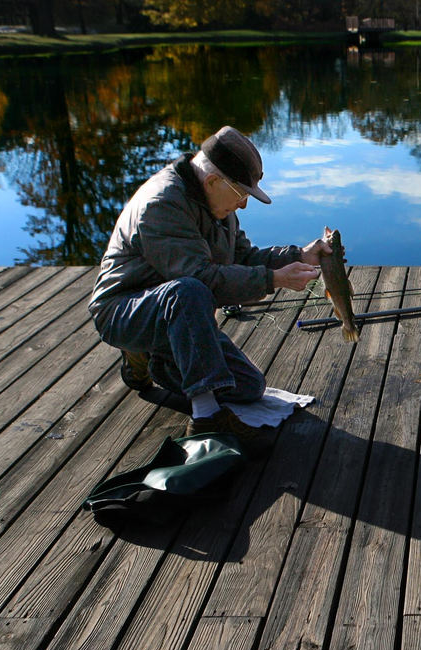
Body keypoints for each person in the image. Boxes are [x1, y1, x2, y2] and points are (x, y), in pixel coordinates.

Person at [88, 125, 330, 449]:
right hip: (123, 310)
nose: (244, 204)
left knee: (248, 387)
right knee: (189, 290)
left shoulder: (217, 202)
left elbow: (242, 256)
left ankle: (150, 358)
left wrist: (298, 255)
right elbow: (204, 280)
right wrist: (274, 279)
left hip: (179, 316)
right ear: (214, 181)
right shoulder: (161, 204)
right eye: (241, 193)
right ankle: (206, 417)